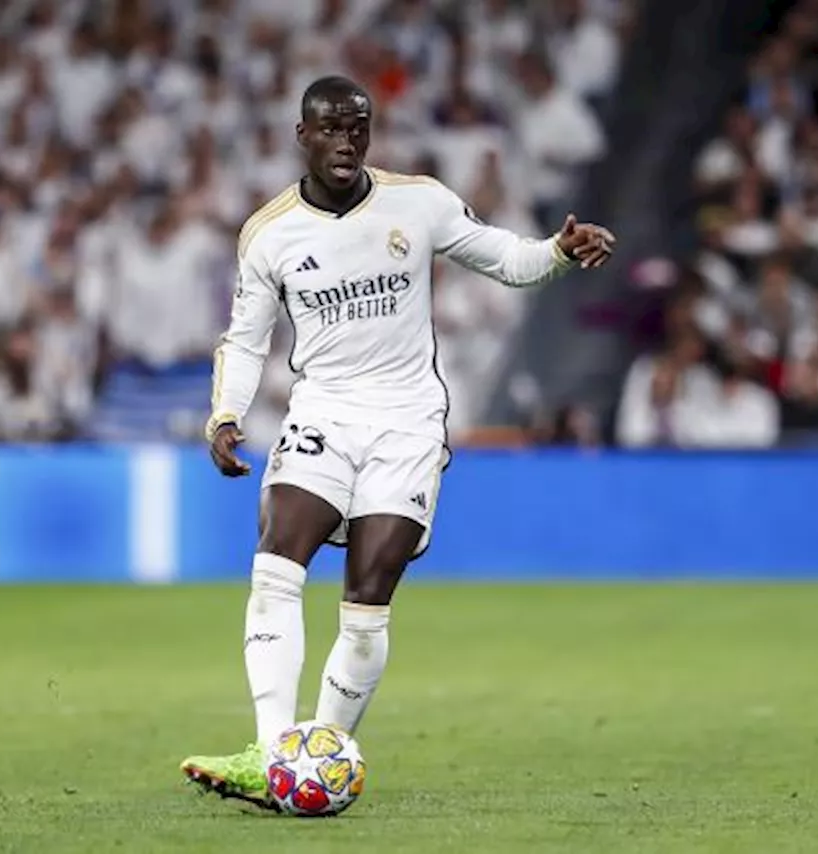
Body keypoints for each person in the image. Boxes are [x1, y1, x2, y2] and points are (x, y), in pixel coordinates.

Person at [179, 75, 615, 810]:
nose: (346, 141)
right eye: (330, 129)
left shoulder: (420, 202)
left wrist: (560, 250)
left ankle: (316, 754)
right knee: (278, 557)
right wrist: (225, 415)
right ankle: (271, 748)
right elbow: (246, 340)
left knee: (368, 597)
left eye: (359, 127)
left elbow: (509, 261)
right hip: (323, 412)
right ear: (302, 136)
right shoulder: (270, 232)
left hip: (408, 423)